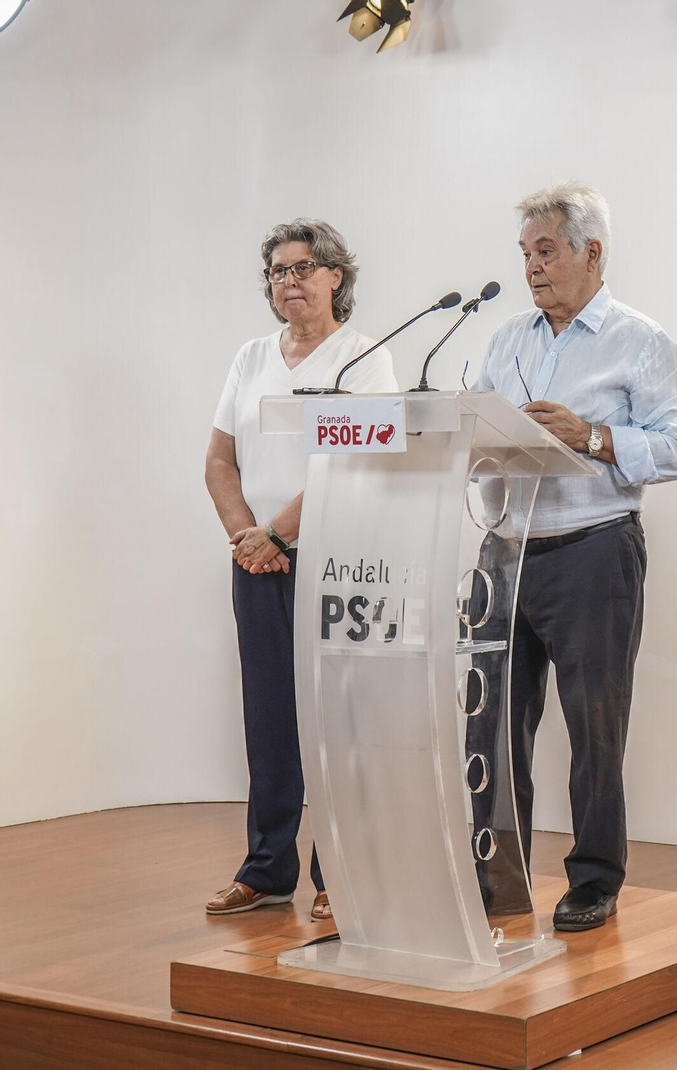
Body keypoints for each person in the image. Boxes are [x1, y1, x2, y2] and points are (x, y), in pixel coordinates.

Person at [471, 182, 677, 931]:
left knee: (594, 723)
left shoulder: (640, 340)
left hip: (594, 548)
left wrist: (591, 435)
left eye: (547, 251)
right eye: (526, 253)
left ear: (591, 253)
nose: (533, 268)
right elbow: (471, 421)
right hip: (504, 549)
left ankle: (595, 875)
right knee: (493, 724)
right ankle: (496, 874)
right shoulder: (507, 340)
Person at [204, 219, 398, 920]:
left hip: (337, 561)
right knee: (269, 718)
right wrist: (246, 538)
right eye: (278, 271)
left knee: (336, 720)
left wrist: (277, 533)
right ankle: (268, 868)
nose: (290, 280)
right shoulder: (252, 357)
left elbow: (361, 460)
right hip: (256, 564)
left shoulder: (365, 357)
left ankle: (335, 872)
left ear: (335, 277)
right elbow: (219, 461)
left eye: (303, 268)